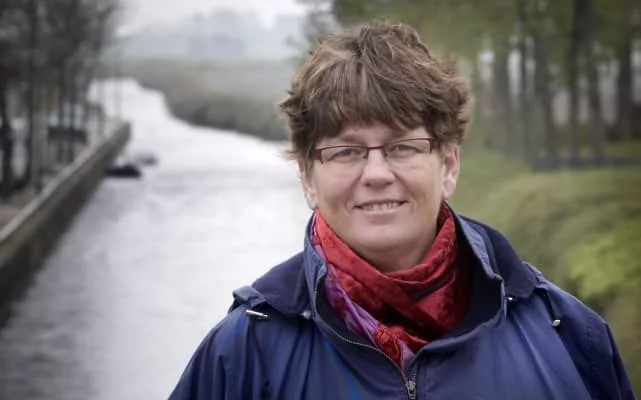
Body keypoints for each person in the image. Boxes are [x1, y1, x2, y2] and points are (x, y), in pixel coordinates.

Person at [169, 20, 635, 400]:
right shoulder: (243, 354)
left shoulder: (569, 335)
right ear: (308, 178)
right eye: (346, 152)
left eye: (402, 147)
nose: (376, 173)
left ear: (448, 165)